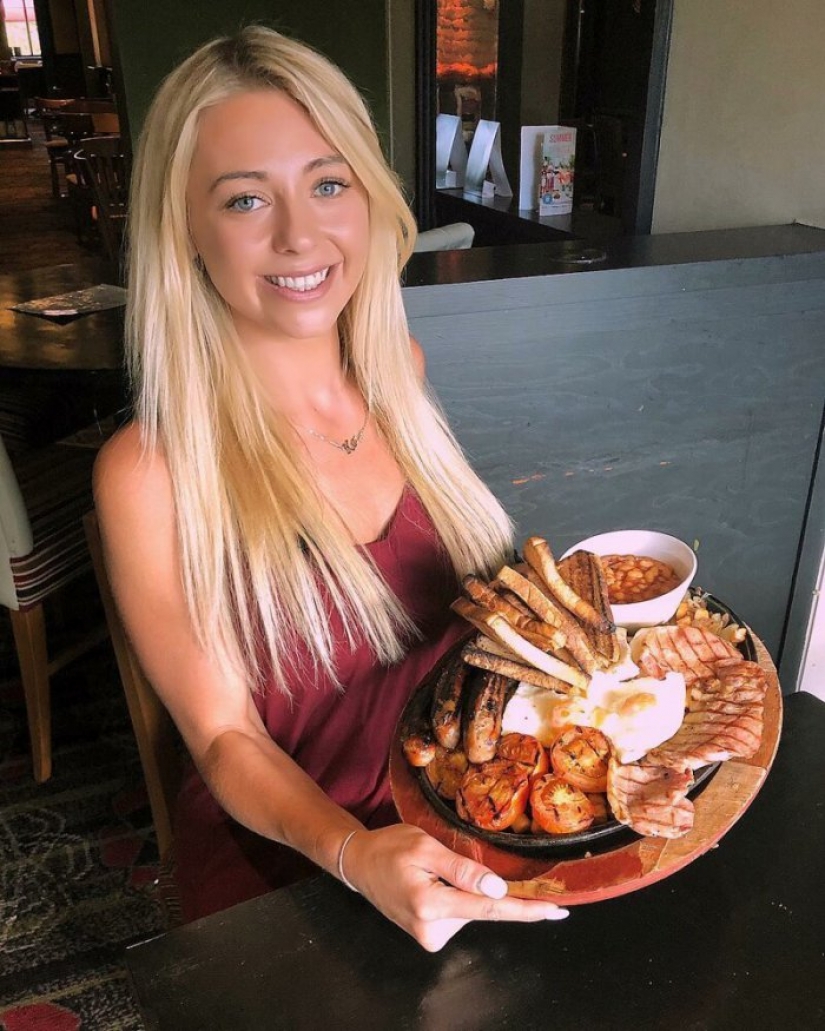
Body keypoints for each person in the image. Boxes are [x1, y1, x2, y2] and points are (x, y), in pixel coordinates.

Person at [95, 25, 568, 951]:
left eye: (327, 182)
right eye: (242, 199)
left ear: (368, 197)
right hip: (293, 871)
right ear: (183, 229)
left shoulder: (401, 375)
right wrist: (356, 853)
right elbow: (225, 738)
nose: (298, 235)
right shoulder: (151, 469)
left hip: (466, 818)